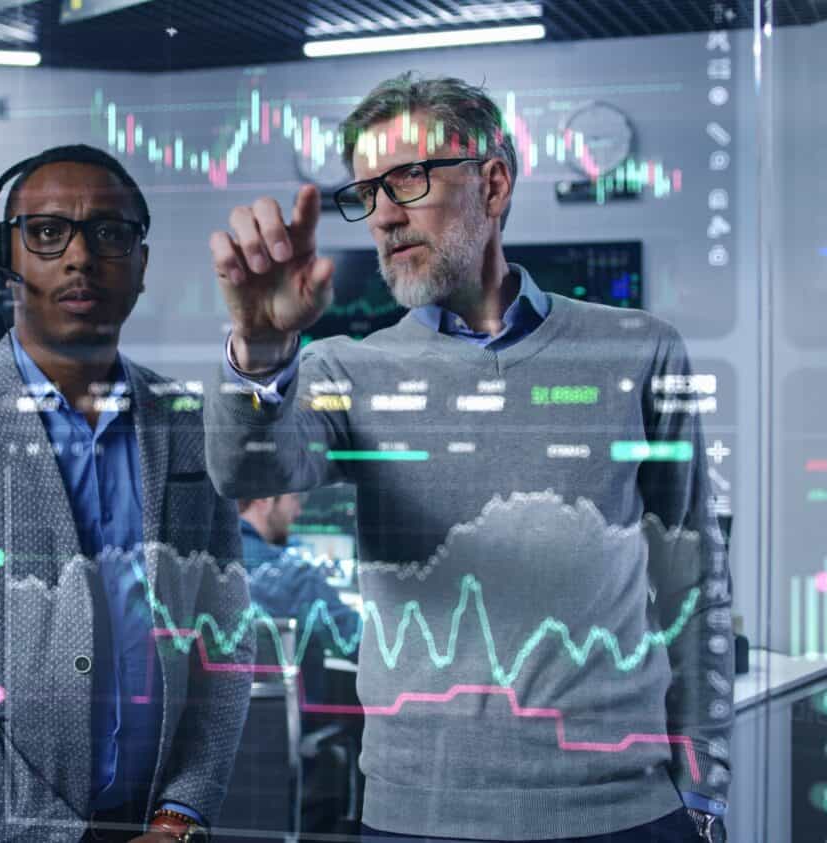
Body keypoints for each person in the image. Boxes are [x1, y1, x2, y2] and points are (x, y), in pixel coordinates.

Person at [204, 73, 732, 843]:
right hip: (418, 816)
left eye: (407, 180)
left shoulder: (639, 348)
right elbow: (250, 474)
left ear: (493, 181)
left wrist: (706, 794)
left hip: (627, 813)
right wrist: (257, 350)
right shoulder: (343, 370)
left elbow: (694, 582)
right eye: (366, 192)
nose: (382, 214)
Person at [0, 144, 252, 843]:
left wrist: (179, 814)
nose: (79, 257)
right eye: (47, 233)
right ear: (4, 258)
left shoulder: (190, 427)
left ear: (140, 265)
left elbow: (224, 643)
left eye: (108, 234)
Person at [238, 494, 362, 675]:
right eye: (295, 499)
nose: (298, 510)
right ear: (264, 499)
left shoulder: (208, 566)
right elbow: (364, 646)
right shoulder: (297, 577)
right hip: (291, 703)